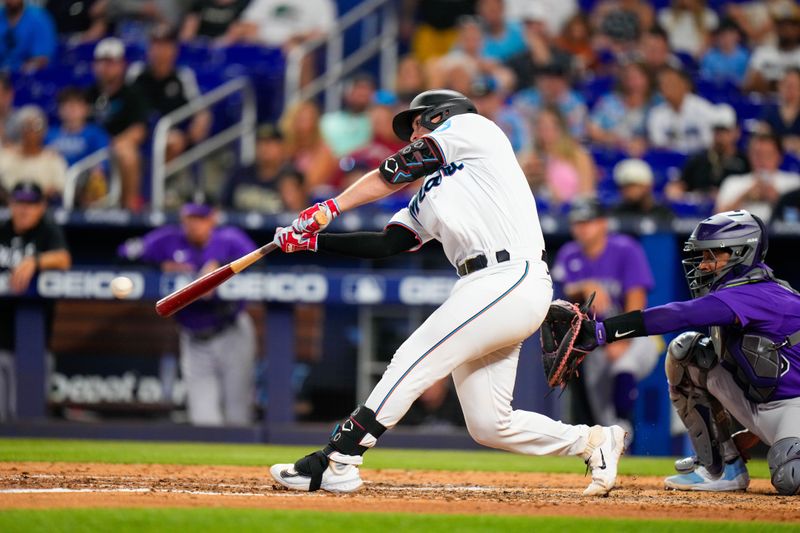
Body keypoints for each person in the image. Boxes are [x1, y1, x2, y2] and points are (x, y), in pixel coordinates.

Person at [267, 89, 626, 496]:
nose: (411, 134)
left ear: (441, 115)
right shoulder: (430, 194)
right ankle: (593, 441)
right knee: (490, 424)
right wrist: (316, 242)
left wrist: (330, 207)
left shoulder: (475, 130)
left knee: (413, 356)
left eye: (417, 124)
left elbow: (395, 169)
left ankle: (339, 458)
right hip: (483, 285)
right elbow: (389, 243)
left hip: (509, 274)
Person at [546, 210, 800, 495]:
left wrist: (603, 331)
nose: (704, 266)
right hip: (761, 404)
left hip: (793, 409)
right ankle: (720, 467)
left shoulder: (761, 292)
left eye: (712, 256)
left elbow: (678, 314)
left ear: (741, 252)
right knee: (687, 352)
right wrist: (755, 431)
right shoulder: (739, 293)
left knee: (790, 477)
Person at [118, 195, 257, 426]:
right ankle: (213, 465)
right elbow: (124, 253)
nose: (195, 224)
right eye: (190, 217)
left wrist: (222, 266)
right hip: (194, 339)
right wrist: (160, 266)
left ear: (213, 218)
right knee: (203, 421)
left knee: (238, 417)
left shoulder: (229, 239)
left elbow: (261, 265)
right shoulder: (167, 241)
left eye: (201, 217)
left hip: (231, 331)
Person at [552, 198, 661, 435]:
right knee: (602, 416)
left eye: (588, 221)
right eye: (577, 223)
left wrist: (623, 338)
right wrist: (585, 285)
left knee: (624, 366)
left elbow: (637, 298)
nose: (582, 228)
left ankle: (625, 426)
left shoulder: (625, 248)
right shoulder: (569, 253)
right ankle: (618, 440)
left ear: (603, 224)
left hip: (636, 335)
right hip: (597, 343)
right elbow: (564, 290)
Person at [0, 182, 71, 421]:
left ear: (41, 207)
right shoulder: (2, 229)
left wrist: (35, 260)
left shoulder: (47, 231)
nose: (24, 210)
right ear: (11, 204)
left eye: (31, 204)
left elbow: (63, 259)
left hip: (33, 341)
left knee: (28, 416)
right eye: (20, 203)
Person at [128, 25, 210, 162]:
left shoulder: (183, 76)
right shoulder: (136, 72)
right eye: (155, 45)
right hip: (140, 130)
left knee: (174, 141)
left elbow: (200, 110)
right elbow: (125, 100)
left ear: (174, 49)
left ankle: (155, 181)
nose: (159, 51)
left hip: (170, 132)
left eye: (165, 45)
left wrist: (201, 121)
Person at [86, 38, 148, 211]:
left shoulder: (132, 93)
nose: (106, 67)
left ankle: (129, 204)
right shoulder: (88, 94)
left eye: (111, 62)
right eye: (101, 62)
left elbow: (139, 129)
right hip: (90, 145)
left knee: (126, 152)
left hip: (116, 145)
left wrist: (112, 143)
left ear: (122, 65)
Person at [668, 103, 750, 203]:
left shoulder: (744, 162)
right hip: (698, 214)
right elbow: (677, 187)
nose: (720, 137)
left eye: (725, 131)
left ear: (736, 132)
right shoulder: (698, 160)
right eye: (717, 131)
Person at [46, 88, 110, 206]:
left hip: (82, 180)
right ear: (60, 110)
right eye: (67, 105)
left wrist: (97, 171)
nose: (72, 109)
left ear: (86, 109)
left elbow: (103, 160)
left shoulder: (96, 133)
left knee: (96, 179)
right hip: (54, 180)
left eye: (76, 105)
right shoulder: (50, 135)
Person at [715, 133, 800, 220]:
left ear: (779, 156)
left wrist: (777, 199)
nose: (762, 159)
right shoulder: (733, 182)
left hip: (780, 233)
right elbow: (717, 220)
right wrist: (745, 197)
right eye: (757, 154)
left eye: (767, 154)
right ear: (749, 155)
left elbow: (795, 220)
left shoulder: (794, 183)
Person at [524, 106, 596, 205]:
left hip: (572, 211)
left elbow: (587, 193)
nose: (545, 131)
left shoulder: (577, 155)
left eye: (550, 126)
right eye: (541, 126)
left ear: (560, 128)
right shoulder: (532, 157)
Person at [0, 106, 67, 204]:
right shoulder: (6, 155)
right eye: (27, 126)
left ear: (43, 131)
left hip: (43, 206)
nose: (31, 131)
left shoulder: (53, 158)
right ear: (20, 129)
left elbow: (60, 187)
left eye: (36, 126)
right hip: (8, 205)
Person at [221, 124, 294, 213]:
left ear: (282, 147)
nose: (265, 148)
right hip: (238, 226)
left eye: (270, 143)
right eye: (260, 143)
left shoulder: (291, 177)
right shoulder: (240, 175)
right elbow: (222, 208)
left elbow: (300, 216)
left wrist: (292, 202)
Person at [587, 61, 654, 156]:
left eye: (638, 77)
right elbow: (592, 128)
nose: (633, 82)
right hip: (609, 153)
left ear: (648, 79)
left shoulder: (656, 105)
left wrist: (643, 143)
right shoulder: (609, 101)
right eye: (629, 78)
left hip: (643, 155)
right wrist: (609, 138)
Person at [504, 3, 574, 92]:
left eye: (538, 24)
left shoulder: (564, 57)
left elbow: (562, 85)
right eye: (529, 24)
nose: (534, 29)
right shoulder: (516, 60)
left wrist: (542, 54)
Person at [647, 65, 716, 154]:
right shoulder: (656, 114)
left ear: (685, 85)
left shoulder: (702, 109)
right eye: (663, 84)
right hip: (671, 161)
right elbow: (658, 144)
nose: (666, 87)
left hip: (699, 160)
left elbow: (708, 142)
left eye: (671, 83)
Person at [512, 62, 588, 139]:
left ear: (563, 82)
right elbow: (514, 125)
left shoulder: (574, 103)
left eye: (553, 80)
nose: (547, 84)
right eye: (544, 79)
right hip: (530, 144)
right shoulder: (525, 98)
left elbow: (577, 134)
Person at [279, 100, 337, 195]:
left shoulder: (323, 151)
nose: (305, 125)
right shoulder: (283, 146)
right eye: (300, 119)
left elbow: (312, 185)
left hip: (311, 198)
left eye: (309, 119)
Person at [320, 74, 375, 158]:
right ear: (347, 93)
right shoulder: (328, 121)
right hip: (333, 165)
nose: (362, 94)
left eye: (366, 90)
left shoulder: (377, 121)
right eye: (358, 89)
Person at [743, 13, 800, 94]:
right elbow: (747, 86)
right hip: (765, 102)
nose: (786, 29)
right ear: (776, 29)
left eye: (792, 26)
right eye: (782, 26)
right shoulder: (762, 52)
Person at [0, 0, 56, 72]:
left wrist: (17, 72)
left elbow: (42, 59)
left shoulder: (39, 17)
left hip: (30, 76)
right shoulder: (1, 16)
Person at [610, 158, 675, 220]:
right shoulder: (616, 213)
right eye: (622, 187)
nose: (627, 191)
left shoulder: (663, 214)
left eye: (632, 185)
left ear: (648, 186)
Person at [759, 68, 800, 157]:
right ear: (780, 86)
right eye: (787, 85)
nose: (790, 90)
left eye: (794, 86)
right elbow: (762, 136)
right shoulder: (769, 112)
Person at [699, 19, 751, 85]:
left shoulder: (745, 57)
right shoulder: (709, 57)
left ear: (738, 36)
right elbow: (705, 78)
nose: (726, 38)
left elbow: (747, 81)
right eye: (722, 35)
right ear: (717, 37)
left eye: (730, 34)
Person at [180, 0, 251, 41]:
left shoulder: (244, 3)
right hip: (201, 41)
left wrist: (221, 42)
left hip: (227, 43)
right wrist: (187, 44)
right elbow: (189, 26)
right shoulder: (201, 2)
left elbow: (241, 28)